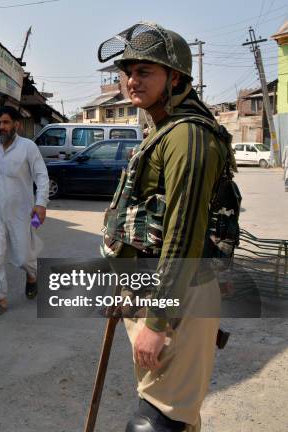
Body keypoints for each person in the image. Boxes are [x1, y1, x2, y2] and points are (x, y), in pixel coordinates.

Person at [98, 23, 236, 431]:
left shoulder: (188, 136)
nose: (131, 80)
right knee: (172, 412)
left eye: (145, 71)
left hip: (180, 297)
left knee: (159, 420)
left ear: (175, 78)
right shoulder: (161, 129)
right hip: (154, 290)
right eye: (128, 71)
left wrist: (158, 321)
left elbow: (183, 234)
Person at [0, 106, 49, 318]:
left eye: (5, 122)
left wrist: (40, 204)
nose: (1, 127)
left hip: (23, 214)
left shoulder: (28, 147)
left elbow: (42, 176)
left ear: (17, 124)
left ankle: (32, 276)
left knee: (23, 257)